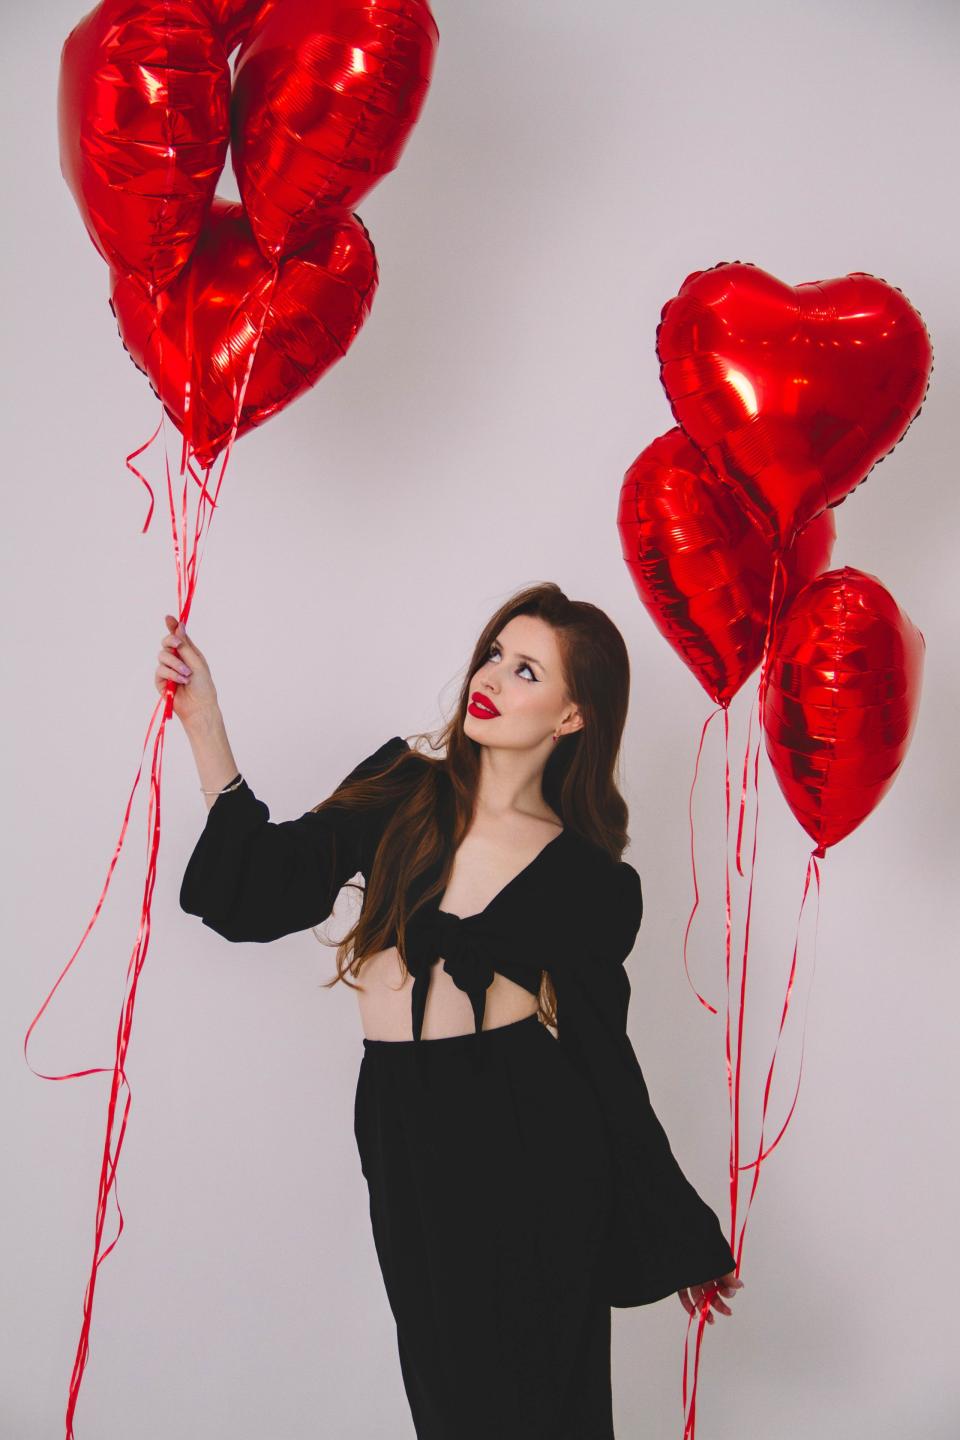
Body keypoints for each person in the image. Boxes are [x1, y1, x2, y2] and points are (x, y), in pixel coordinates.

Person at [159, 581, 744, 1439]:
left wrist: (682, 1236)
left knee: (537, 1410)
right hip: (402, 1131)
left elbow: (605, 1064)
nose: (493, 677)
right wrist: (204, 724)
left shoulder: (590, 881)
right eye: (495, 654)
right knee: (449, 1405)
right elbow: (263, 890)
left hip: (526, 1147)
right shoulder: (400, 787)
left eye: (527, 670)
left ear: (571, 716)